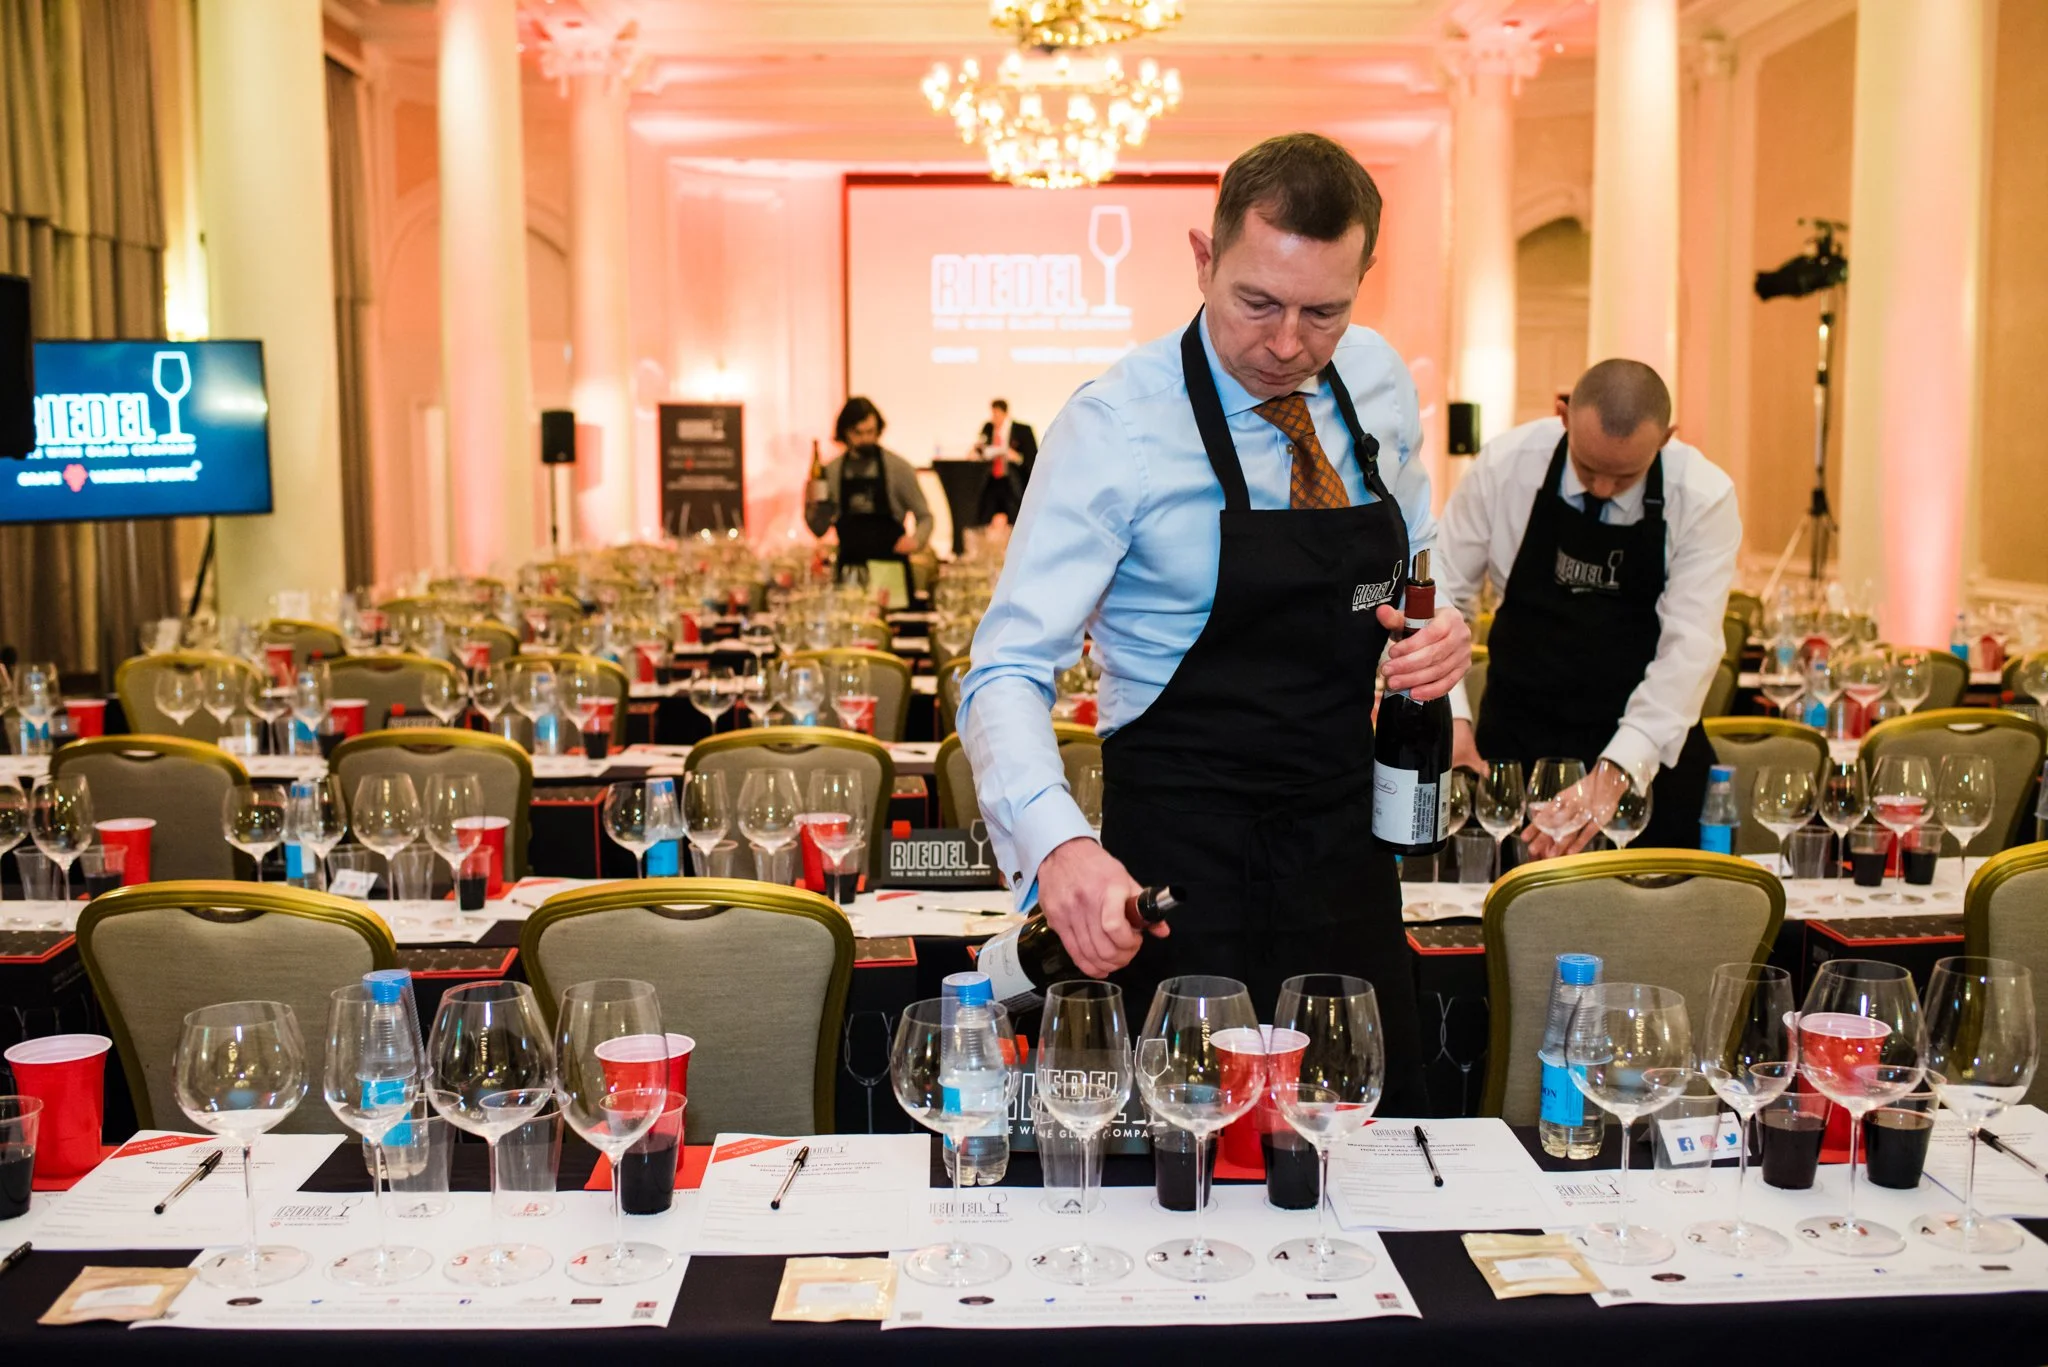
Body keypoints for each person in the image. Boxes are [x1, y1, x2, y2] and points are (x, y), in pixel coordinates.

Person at [957, 133, 1469, 1115]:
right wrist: (1059, 846)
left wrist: (1433, 626)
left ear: (1361, 281)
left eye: (1323, 311)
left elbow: (1407, 561)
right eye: (1257, 303)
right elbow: (1006, 668)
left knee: (1361, 1145)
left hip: (1343, 857)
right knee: (1186, 1151)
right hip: (1178, 872)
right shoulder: (1115, 427)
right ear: (1204, 258)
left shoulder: (1375, 380)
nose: (1287, 345)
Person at [1438, 360, 1741, 856]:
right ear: (1562, 415)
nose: (1601, 488)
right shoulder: (1506, 466)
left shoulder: (1703, 496)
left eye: (1624, 477)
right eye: (1587, 467)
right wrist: (1451, 720)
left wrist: (1618, 770)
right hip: (1514, 748)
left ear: (1666, 439)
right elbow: (1441, 597)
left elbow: (1690, 650)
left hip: (1644, 760)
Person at [804, 396, 934, 584]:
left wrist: (915, 540)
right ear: (845, 433)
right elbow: (818, 529)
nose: (865, 439)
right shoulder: (831, 472)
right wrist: (814, 506)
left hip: (890, 571)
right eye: (858, 433)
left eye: (870, 432)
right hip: (850, 571)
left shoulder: (898, 468)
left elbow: (925, 517)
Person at [974, 398, 1037, 527]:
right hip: (992, 479)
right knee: (984, 514)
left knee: (1016, 516)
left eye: (997, 414)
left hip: (1013, 481)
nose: (994, 418)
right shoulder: (988, 428)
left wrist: (1017, 457)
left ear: (1004, 413)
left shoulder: (1022, 430)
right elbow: (981, 447)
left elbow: (1032, 457)